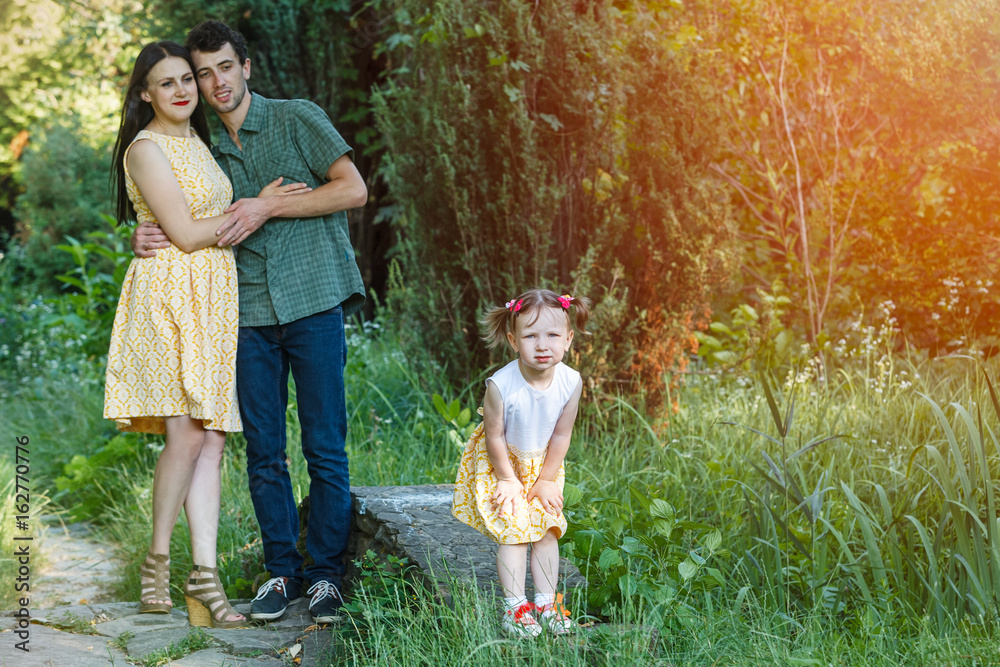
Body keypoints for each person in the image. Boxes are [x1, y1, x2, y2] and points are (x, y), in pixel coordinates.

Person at [132, 20, 368, 624]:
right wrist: (146, 231)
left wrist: (269, 204)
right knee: (264, 453)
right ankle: (281, 573)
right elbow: (187, 211)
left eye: (223, 68)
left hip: (313, 302)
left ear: (247, 66)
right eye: (201, 73)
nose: (214, 83)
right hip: (245, 313)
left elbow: (353, 190)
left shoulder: (297, 117)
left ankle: (324, 577)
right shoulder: (201, 145)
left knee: (324, 446)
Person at [104, 41, 306, 629]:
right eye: (165, 83)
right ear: (146, 93)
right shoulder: (146, 149)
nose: (183, 91)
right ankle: (157, 563)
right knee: (188, 437)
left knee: (213, 439)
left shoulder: (199, 141)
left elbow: (187, 222)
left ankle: (205, 578)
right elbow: (188, 235)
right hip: (169, 297)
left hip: (214, 300)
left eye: (185, 79)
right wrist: (258, 205)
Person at [452, 289, 591, 637]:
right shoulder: (501, 385)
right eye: (530, 336)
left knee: (546, 530)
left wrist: (545, 480)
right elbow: (493, 436)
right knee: (514, 534)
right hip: (504, 463)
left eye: (552, 335)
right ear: (514, 341)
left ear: (569, 339)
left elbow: (562, 435)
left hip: (545, 464)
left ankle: (546, 603)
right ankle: (515, 608)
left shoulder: (571, 382)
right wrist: (508, 479)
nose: (542, 345)